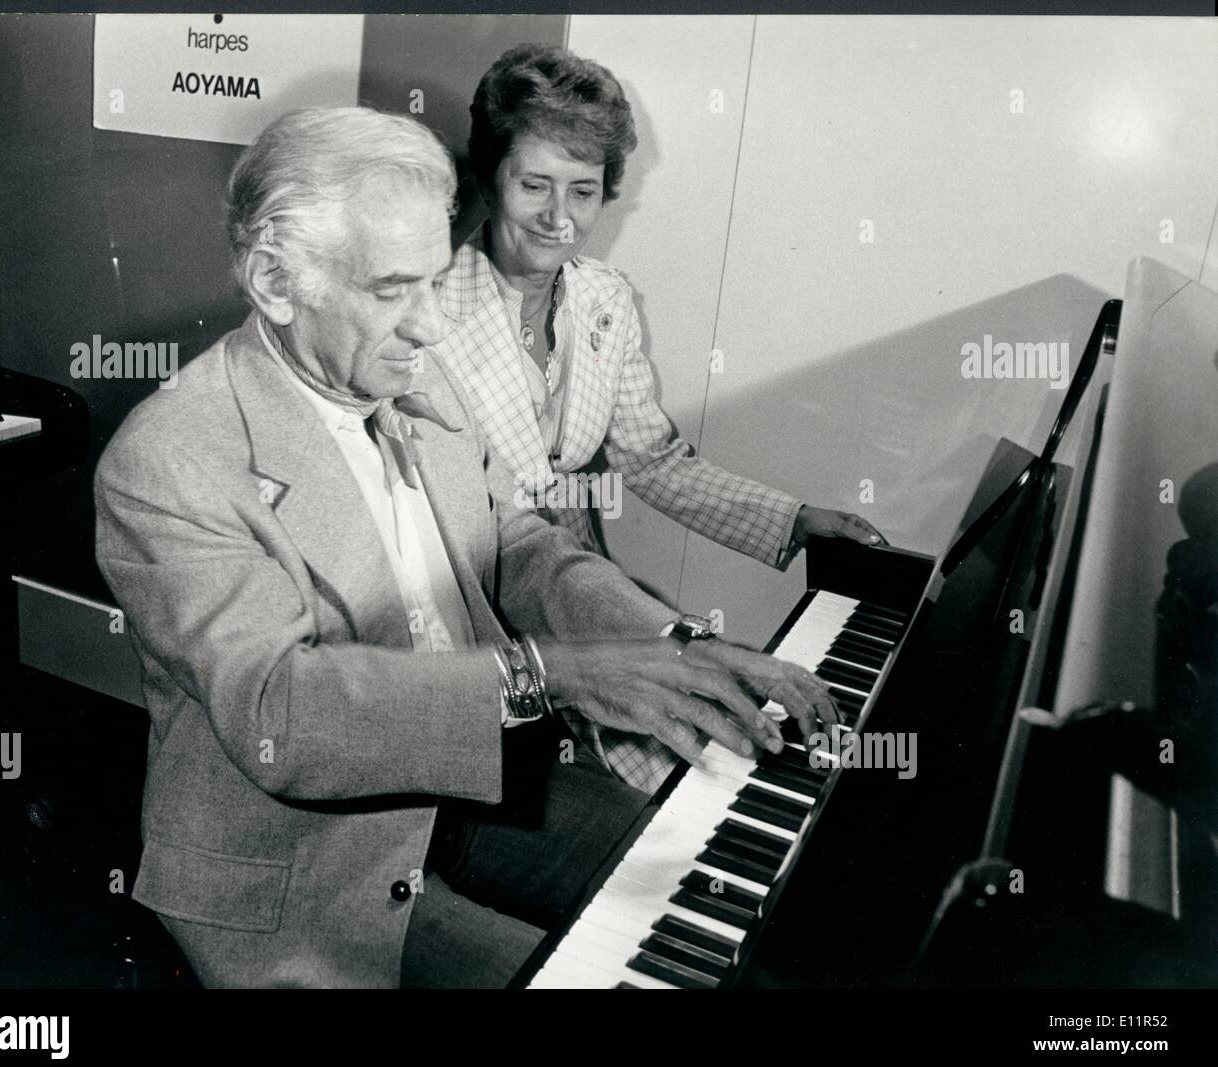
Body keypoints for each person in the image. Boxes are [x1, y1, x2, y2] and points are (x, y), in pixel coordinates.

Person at [94, 105, 843, 988]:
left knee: (746, 896)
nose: (431, 325)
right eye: (390, 290)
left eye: (434, 282)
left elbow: (518, 546)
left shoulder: (413, 375)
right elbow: (279, 716)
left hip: (478, 778)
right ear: (273, 280)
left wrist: (675, 642)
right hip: (311, 863)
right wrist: (546, 674)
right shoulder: (172, 456)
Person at [429, 43, 887, 794]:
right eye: (533, 184)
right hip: (474, 613)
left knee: (693, 776)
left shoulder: (605, 300)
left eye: (583, 191)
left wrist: (796, 519)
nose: (559, 216)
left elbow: (653, 459)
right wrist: (667, 642)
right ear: (487, 178)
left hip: (578, 581)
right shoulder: (426, 310)